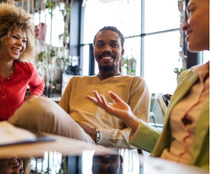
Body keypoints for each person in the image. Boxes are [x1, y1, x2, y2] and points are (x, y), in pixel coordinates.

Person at [86, 0, 209, 169]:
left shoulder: (135, 83)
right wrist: (131, 119)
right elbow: (166, 146)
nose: (184, 25)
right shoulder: (188, 78)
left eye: (191, 12)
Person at [8, 26, 150, 149]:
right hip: (67, 141)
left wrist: (97, 134)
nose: (106, 49)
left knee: (36, 105)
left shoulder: (135, 83)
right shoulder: (75, 81)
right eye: (100, 45)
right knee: (33, 105)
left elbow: (139, 136)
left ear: (122, 51)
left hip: (96, 144)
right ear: (94, 50)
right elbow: (60, 116)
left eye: (114, 44)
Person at [0, 3, 44, 121]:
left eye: (24, 40)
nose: (21, 43)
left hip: (17, 129)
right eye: (15, 37)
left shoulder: (27, 70)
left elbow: (39, 84)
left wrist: (32, 102)